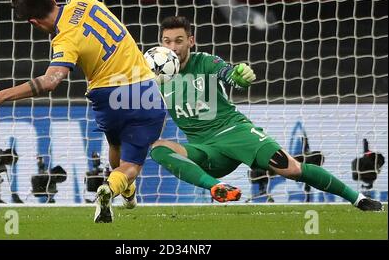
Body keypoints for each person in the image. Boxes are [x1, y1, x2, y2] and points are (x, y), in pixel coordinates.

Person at [0, 0, 167, 222]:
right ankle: (112, 187)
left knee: (116, 142)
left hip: (106, 96)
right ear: (54, 0)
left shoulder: (64, 40)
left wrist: (2, 95)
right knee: (132, 163)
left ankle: (125, 189)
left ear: (34, 22)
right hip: (141, 88)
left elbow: (50, 81)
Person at [150, 15, 382, 211]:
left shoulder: (206, 61)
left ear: (191, 41)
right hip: (204, 149)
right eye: (167, 41)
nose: (172, 48)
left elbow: (228, 74)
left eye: (178, 41)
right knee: (158, 148)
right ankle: (217, 187)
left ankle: (359, 199)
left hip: (234, 132)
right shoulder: (155, 75)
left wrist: (240, 76)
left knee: (291, 168)